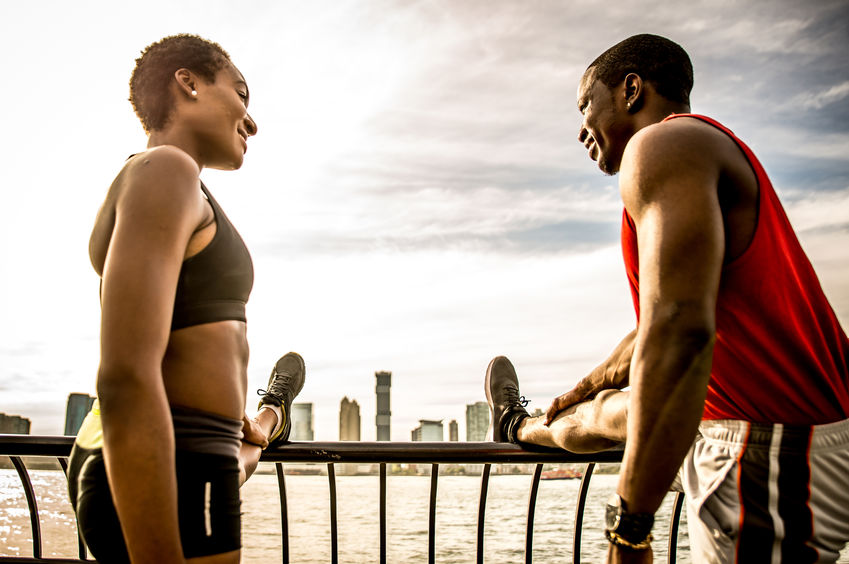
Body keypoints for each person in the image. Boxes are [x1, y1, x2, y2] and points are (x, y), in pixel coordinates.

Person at [486, 34, 849, 563]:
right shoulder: (699, 148)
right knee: (599, 413)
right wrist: (587, 384)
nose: (581, 127)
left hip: (768, 447)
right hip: (781, 433)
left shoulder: (661, 146)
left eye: (585, 105)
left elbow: (678, 329)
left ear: (631, 90)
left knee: (620, 411)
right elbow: (668, 318)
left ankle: (530, 430)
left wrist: (629, 528)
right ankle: (516, 425)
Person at [66, 34, 305, 563]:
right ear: (188, 83)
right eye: (241, 94)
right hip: (169, 450)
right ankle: (269, 416)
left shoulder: (167, 180)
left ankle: (268, 416)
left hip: (196, 443)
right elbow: (125, 375)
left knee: (243, 451)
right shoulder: (166, 170)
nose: (251, 121)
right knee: (234, 455)